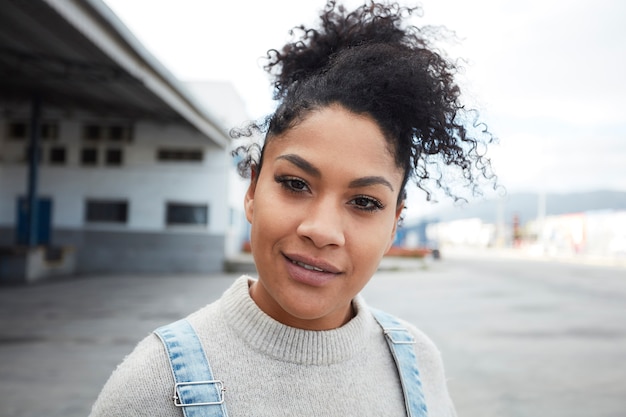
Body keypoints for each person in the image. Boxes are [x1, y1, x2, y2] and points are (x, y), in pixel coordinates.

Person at [89, 1, 496, 416]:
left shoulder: (416, 363)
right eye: (295, 183)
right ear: (252, 191)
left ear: (395, 224)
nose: (321, 230)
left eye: (364, 202)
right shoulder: (156, 384)